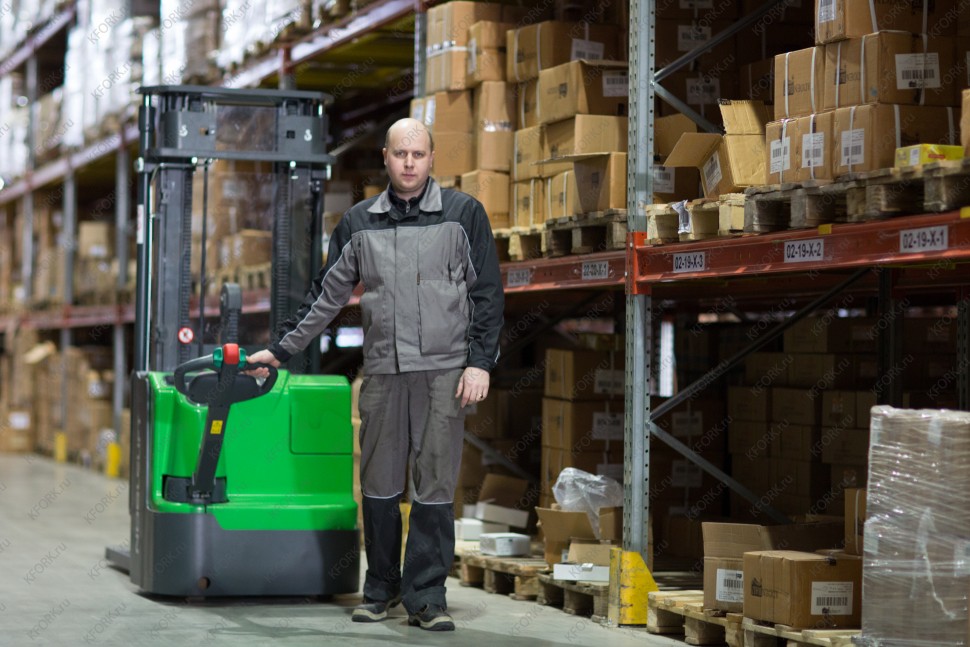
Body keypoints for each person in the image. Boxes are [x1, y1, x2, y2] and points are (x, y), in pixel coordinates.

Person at [247, 117, 504, 632]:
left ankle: (427, 597)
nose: (409, 163)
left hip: (442, 373)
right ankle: (381, 589)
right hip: (384, 373)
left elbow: (487, 294)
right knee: (379, 486)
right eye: (399, 154)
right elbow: (326, 297)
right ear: (385, 157)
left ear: (432, 159)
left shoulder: (463, 214)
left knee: (434, 487)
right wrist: (280, 350)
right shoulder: (360, 222)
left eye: (418, 154)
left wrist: (479, 362)